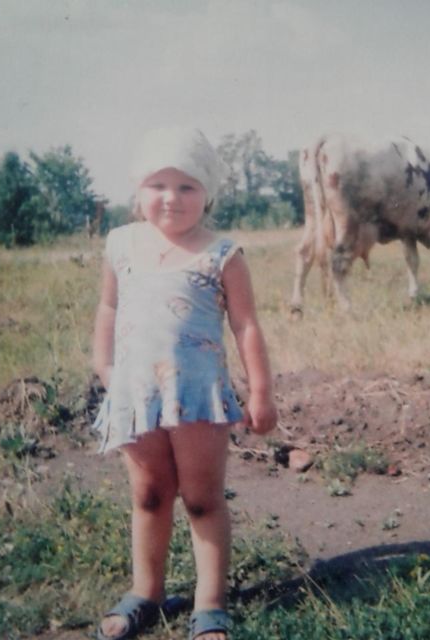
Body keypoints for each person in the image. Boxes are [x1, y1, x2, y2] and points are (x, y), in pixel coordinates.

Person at [91, 127, 277, 640]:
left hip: (197, 399)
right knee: (149, 494)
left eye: (186, 186)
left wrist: (261, 392)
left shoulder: (222, 254)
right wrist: (103, 365)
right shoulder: (121, 244)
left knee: (201, 498)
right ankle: (145, 592)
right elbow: (108, 306)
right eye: (158, 185)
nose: (171, 198)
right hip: (135, 396)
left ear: (207, 194)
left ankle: (210, 604)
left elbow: (246, 325)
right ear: (138, 191)